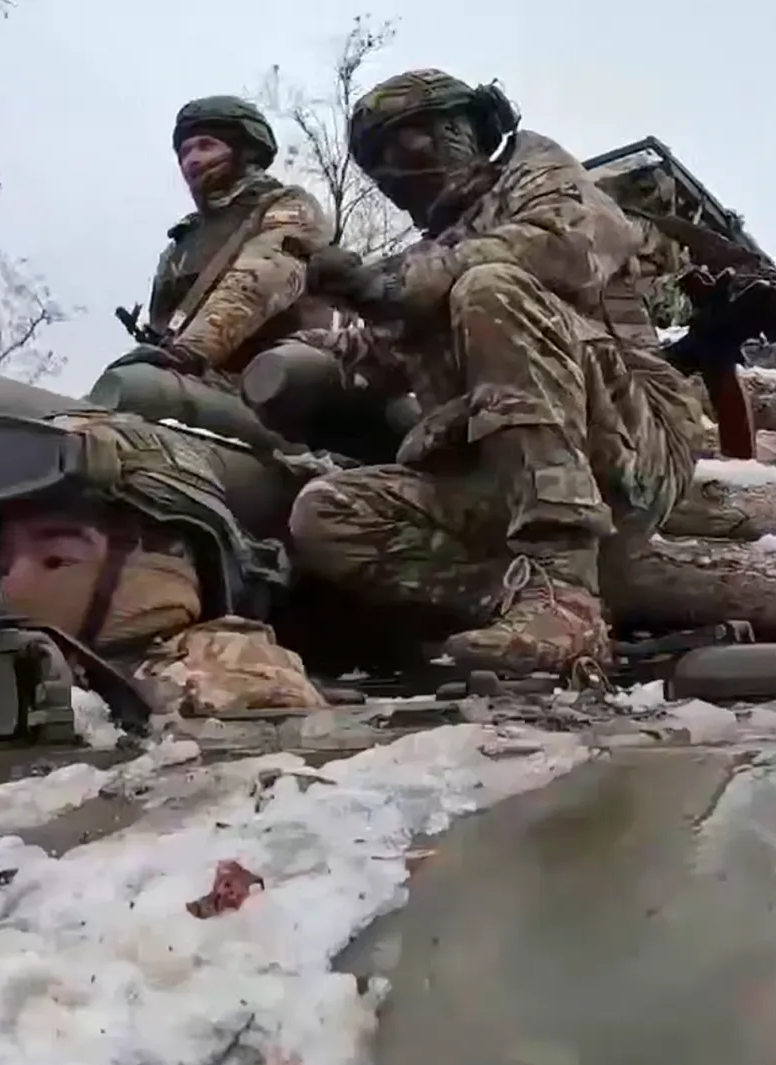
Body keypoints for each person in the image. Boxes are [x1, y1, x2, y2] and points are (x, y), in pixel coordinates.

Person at [285, 70, 711, 676]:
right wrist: (313, 328)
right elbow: (374, 355)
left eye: (405, 141)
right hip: (500, 485)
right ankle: (520, 599)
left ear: (465, 128)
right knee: (325, 511)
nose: (393, 170)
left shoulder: (539, 172)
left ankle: (564, 591)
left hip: (630, 452)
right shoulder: (433, 254)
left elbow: (567, 247)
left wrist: (402, 282)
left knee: (490, 288)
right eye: (377, 160)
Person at [0, 409, 326, 718]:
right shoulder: (5, 682)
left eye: (54, 559)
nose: (10, 591)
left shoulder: (225, 684)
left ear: (164, 566)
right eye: (2, 568)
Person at [116, 97, 334, 385]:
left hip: (277, 386)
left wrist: (190, 352)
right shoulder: (183, 240)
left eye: (206, 146)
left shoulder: (288, 207)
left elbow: (262, 276)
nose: (192, 160)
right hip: (193, 382)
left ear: (246, 151)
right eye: (184, 152)